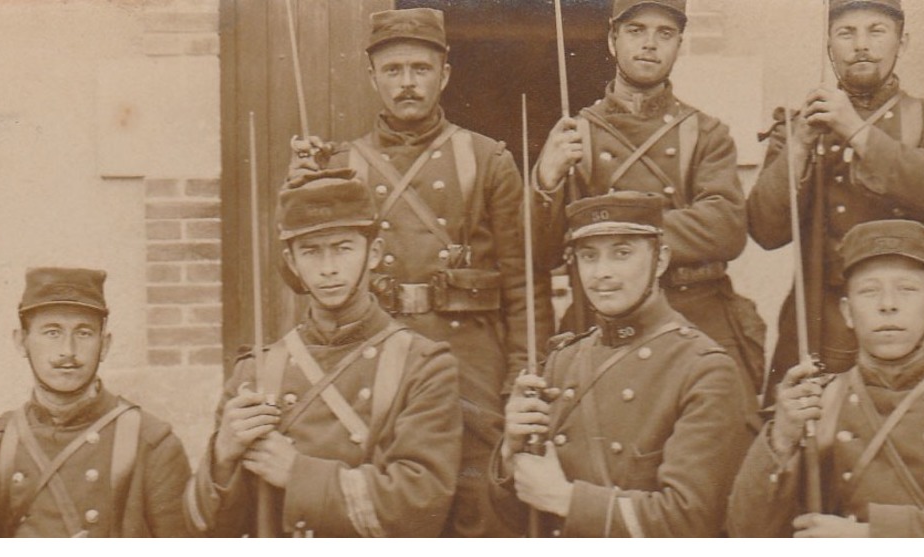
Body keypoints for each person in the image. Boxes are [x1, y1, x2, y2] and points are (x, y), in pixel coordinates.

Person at [288, 7, 547, 536]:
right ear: (373, 76)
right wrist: (296, 195)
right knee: (387, 508)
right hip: (377, 366)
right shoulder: (339, 165)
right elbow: (300, 274)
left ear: (444, 75)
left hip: (468, 367)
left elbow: (526, 284)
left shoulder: (487, 159)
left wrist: (518, 380)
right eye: (393, 69)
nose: (407, 83)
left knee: (480, 509)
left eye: (421, 69)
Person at [187, 171, 461, 537]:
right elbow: (203, 532)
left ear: (374, 252)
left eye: (343, 248)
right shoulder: (255, 372)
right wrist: (222, 456)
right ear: (292, 261)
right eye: (311, 251)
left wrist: (297, 474)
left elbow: (420, 507)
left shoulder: (424, 366)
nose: (328, 268)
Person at [726, 219, 924, 537]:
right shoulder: (815, 405)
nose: (888, 305)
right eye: (869, 291)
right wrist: (781, 439)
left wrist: (868, 536)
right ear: (848, 313)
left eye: (907, 290)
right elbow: (746, 531)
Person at [532, 0, 766, 393]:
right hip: (601, 324)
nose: (650, 44)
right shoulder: (575, 136)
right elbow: (543, 252)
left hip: (696, 313)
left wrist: (609, 228)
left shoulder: (707, 134)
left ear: (679, 44)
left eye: (665, 33)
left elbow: (725, 228)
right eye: (636, 30)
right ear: (612, 39)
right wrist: (546, 180)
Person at [746, 0, 924, 401]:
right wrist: (798, 145)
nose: (861, 45)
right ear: (829, 45)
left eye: (877, 31)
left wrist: (855, 130)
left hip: (921, 320)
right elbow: (765, 230)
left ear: (902, 42)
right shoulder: (799, 126)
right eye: (846, 33)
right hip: (826, 321)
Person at [493, 191, 756, 537]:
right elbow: (516, 521)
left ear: (660, 260)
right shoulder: (563, 359)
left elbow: (691, 521)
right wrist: (511, 452)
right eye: (589, 257)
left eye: (622, 254)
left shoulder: (704, 369)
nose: (602, 273)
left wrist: (567, 500)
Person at [0, 267, 192, 537]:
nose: (68, 351)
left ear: (105, 345)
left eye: (84, 333)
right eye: (52, 332)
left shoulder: (151, 444)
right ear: (21, 342)